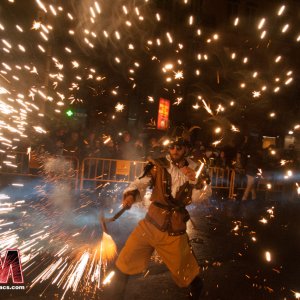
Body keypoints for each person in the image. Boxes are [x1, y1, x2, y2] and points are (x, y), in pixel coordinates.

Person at [106, 134, 212, 300]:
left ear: (186, 149)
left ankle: (198, 294)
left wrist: (195, 181)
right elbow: (139, 183)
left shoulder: (196, 169)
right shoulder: (158, 165)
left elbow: (201, 196)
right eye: (172, 147)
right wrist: (130, 197)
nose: (174, 151)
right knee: (124, 262)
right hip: (150, 224)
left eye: (179, 147)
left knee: (187, 273)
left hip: (174, 230)